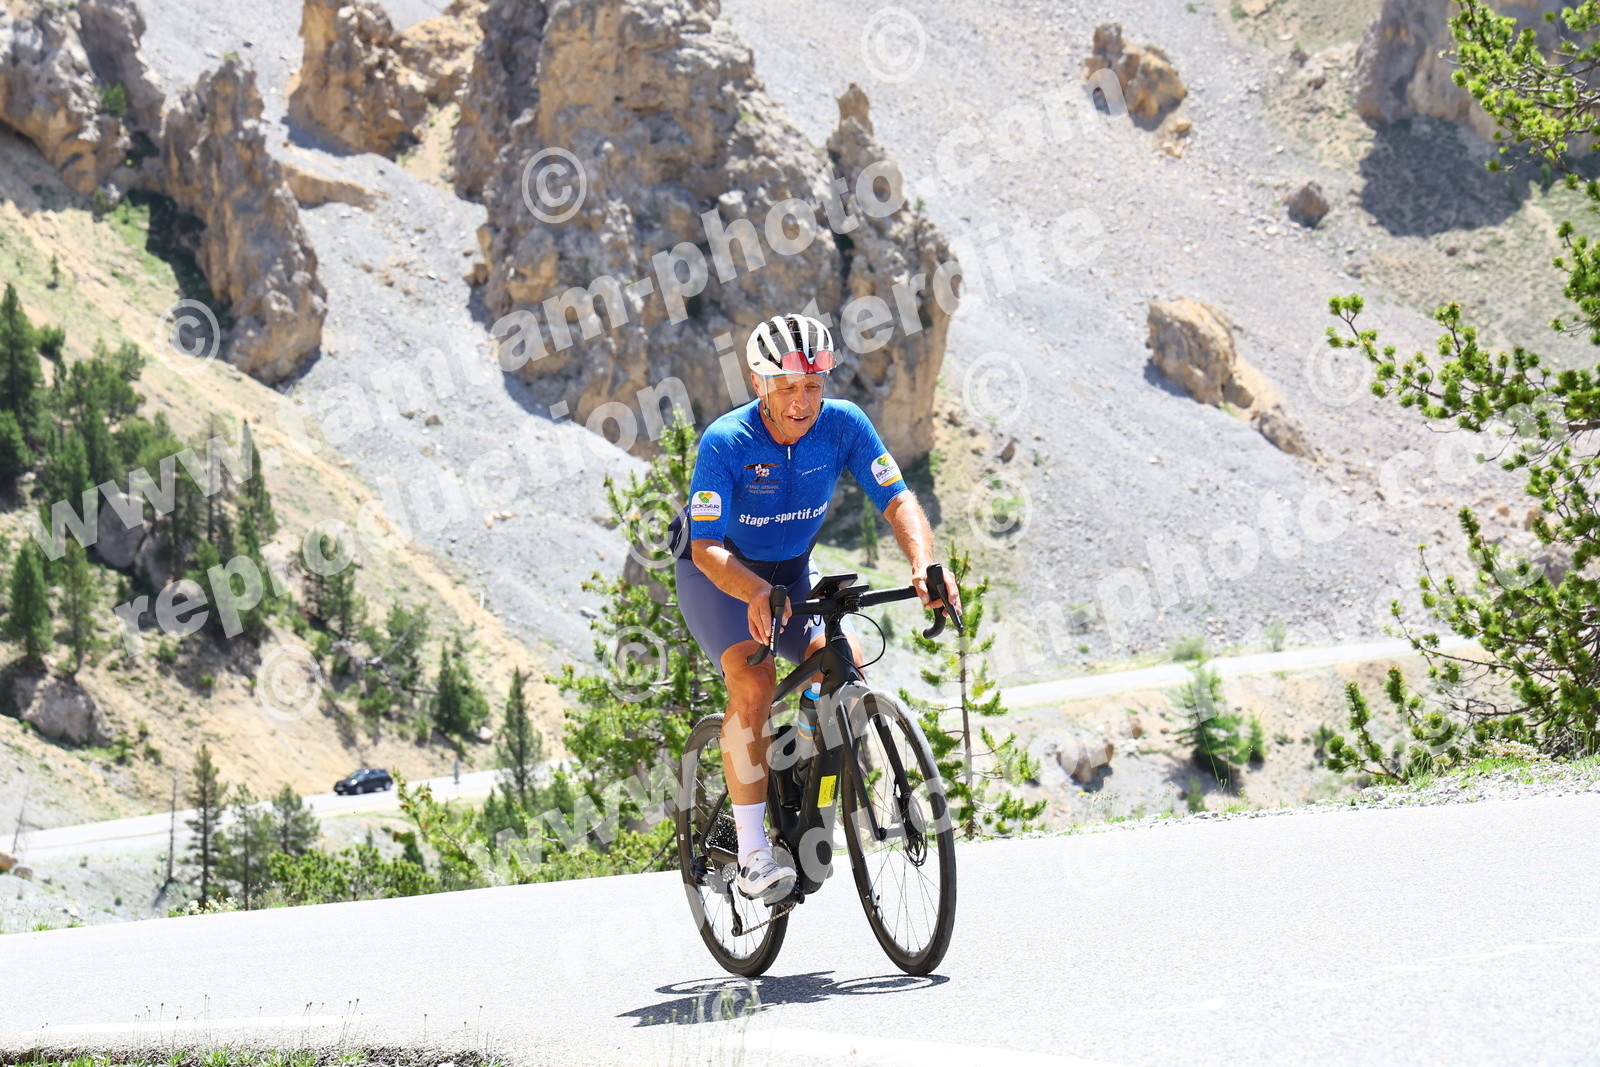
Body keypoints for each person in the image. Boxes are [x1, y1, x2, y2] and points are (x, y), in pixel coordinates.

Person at [672, 312, 961, 905]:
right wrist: (754, 592)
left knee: (843, 664)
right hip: (720, 576)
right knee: (753, 682)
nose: (802, 402)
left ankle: (798, 766)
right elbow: (706, 547)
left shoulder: (843, 424)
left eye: (812, 385)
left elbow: (898, 499)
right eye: (787, 388)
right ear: (759, 384)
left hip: (791, 574)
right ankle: (752, 852)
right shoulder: (727, 441)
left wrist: (923, 564)